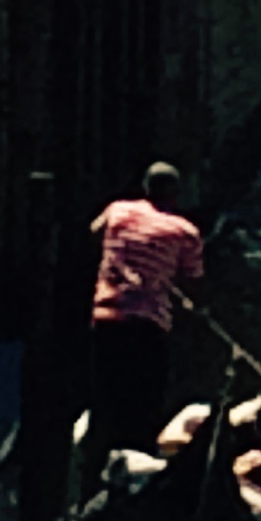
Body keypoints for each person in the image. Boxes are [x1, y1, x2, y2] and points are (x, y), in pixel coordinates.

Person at [89, 165, 206, 453]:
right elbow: (194, 281)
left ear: (145, 187)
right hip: (148, 324)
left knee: (104, 390)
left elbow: (93, 236)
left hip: (105, 316)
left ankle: (95, 452)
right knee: (144, 399)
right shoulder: (185, 232)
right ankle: (135, 454)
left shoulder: (117, 211)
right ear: (175, 194)